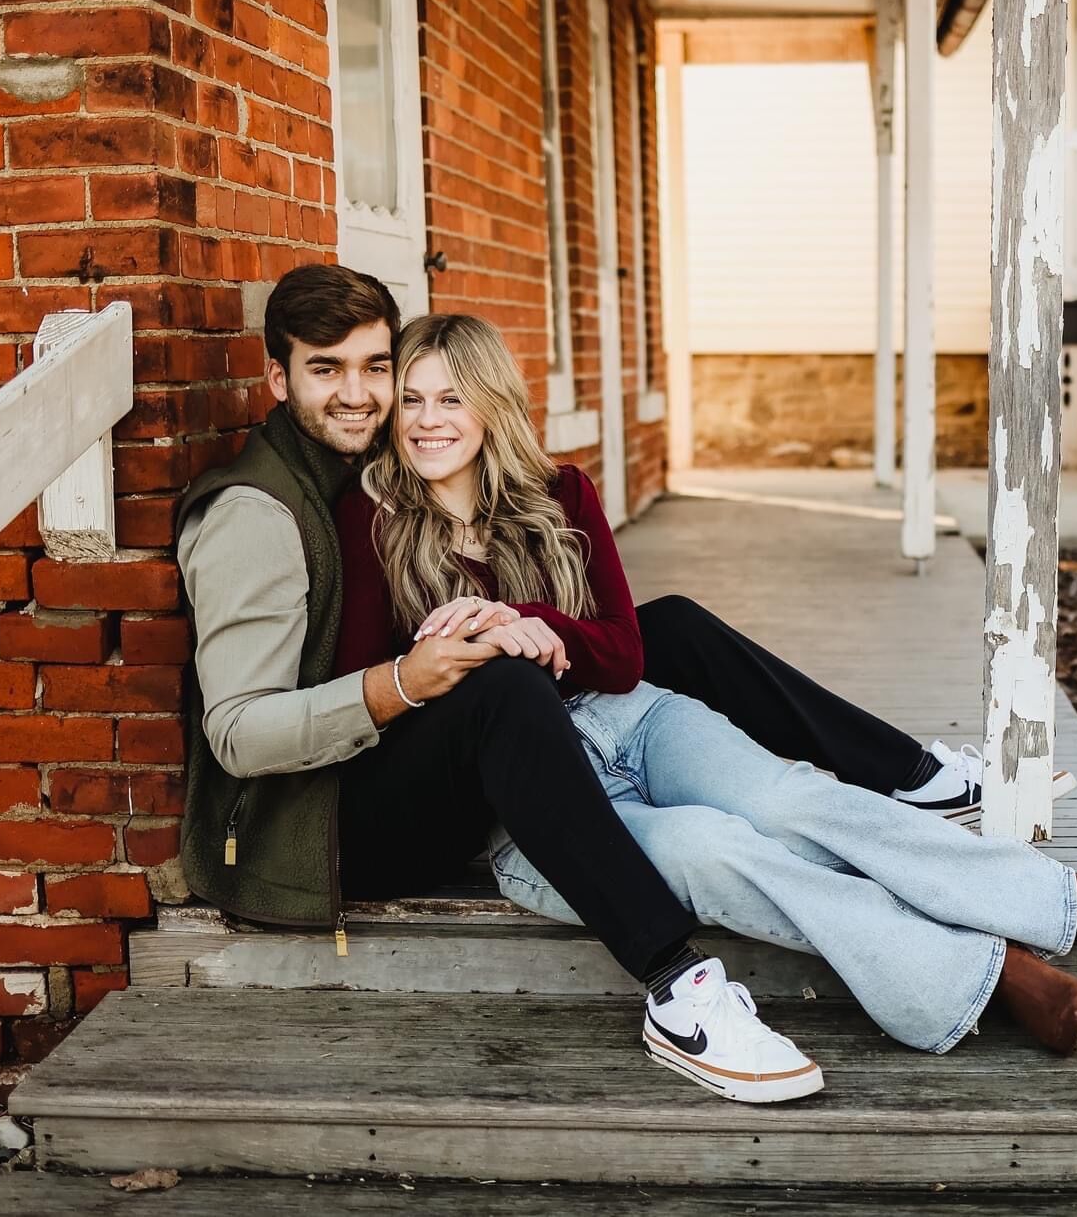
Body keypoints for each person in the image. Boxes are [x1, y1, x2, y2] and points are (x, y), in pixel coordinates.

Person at [332, 311, 1077, 1073]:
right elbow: (379, 694)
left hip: (630, 717)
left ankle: (1064, 901)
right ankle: (995, 975)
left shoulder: (563, 494)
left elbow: (625, 654)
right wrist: (468, 646)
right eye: (410, 399)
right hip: (533, 796)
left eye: (450, 397)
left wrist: (530, 619)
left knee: (789, 799)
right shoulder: (371, 520)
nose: (427, 420)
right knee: (713, 848)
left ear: (491, 403)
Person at [176, 265, 822, 1105]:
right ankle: (674, 983)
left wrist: (514, 621)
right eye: (325, 369)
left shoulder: (364, 462)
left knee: (662, 628)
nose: (359, 394)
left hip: (383, 760)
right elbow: (237, 735)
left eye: (377, 369)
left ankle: (902, 775)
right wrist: (403, 682)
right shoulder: (255, 515)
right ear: (277, 378)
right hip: (311, 825)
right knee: (507, 689)